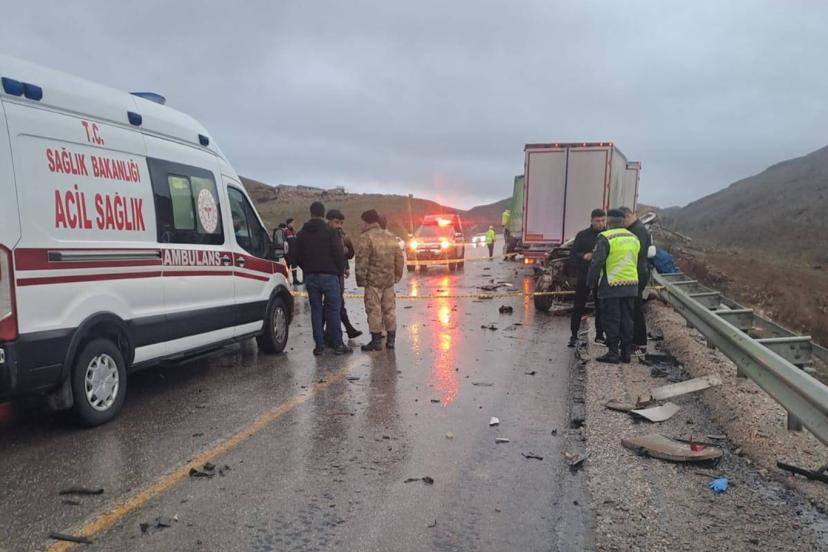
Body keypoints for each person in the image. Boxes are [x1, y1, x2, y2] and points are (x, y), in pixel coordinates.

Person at [294, 202, 351, 356]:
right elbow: (338, 253)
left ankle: (319, 345)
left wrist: (307, 268)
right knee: (333, 310)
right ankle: (338, 344)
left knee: (316, 311)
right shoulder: (330, 231)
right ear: (323, 213)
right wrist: (340, 270)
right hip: (330, 275)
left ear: (311, 213)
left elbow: (297, 256)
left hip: (311, 276)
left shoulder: (302, 233)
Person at [587, 209, 640, 364]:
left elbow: (596, 262)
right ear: (623, 222)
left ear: (608, 222)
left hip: (611, 285)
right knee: (627, 320)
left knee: (611, 319)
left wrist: (591, 282)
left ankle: (613, 353)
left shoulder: (605, 237)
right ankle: (626, 353)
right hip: (631, 285)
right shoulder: (634, 237)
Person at [355, 209, 404, 351]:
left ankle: (376, 341)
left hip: (373, 282)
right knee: (389, 310)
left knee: (374, 310)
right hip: (388, 282)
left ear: (366, 221)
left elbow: (361, 261)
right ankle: (391, 340)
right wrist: (397, 276)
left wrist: (361, 280)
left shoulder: (366, 237)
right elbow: (399, 258)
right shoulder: (390, 236)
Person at [568, 209, 606, 348]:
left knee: (601, 307)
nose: (601, 223)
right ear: (591, 220)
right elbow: (573, 254)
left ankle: (600, 335)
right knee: (578, 306)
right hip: (584, 275)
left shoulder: (607, 235)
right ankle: (574, 335)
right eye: (598, 221)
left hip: (601, 277)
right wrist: (584, 256)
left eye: (603, 220)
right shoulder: (583, 235)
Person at [325, 209, 363, 341]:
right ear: (329, 221)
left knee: (337, 303)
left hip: (339, 273)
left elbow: (349, 253)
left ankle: (342, 330)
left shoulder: (341, 234)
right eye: (336, 222)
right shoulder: (325, 234)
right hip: (330, 274)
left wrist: (346, 266)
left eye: (341, 223)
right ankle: (338, 332)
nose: (339, 225)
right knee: (335, 304)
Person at [619, 206, 652, 353]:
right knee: (631, 308)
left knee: (635, 308)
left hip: (638, 273)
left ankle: (640, 343)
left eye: (622, 220)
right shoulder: (635, 228)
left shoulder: (638, 230)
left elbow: (637, 253)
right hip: (636, 272)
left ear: (627, 216)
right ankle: (632, 340)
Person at [285, 218, 301, 285]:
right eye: (292, 223)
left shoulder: (293, 231)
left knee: (294, 267)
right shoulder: (285, 231)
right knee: (287, 267)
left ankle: (295, 279)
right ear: (288, 223)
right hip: (288, 253)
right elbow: (284, 242)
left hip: (294, 252)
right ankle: (287, 281)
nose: (293, 224)